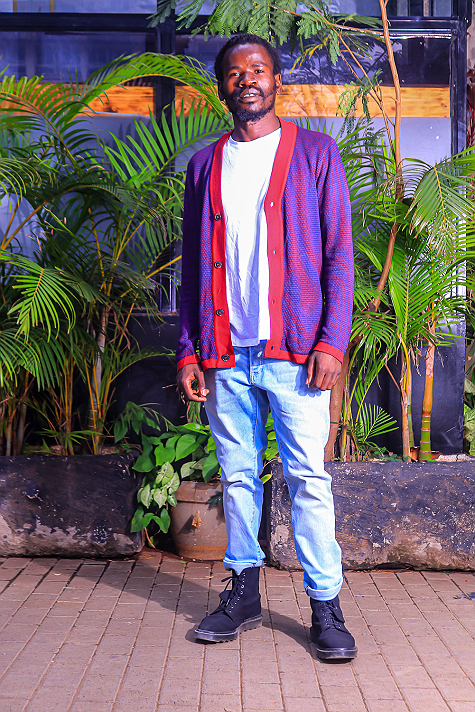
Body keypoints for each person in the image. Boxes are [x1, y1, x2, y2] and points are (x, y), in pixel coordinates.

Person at [176, 33, 356, 660]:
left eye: (258, 69)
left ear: (277, 80)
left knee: (308, 478)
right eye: (234, 72)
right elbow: (192, 267)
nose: (246, 79)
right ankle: (244, 592)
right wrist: (189, 349)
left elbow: (339, 256)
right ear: (222, 87)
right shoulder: (204, 165)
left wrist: (332, 341)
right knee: (237, 477)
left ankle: (325, 605)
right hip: (225, 351)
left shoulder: (316, 153)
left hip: (297, 352)